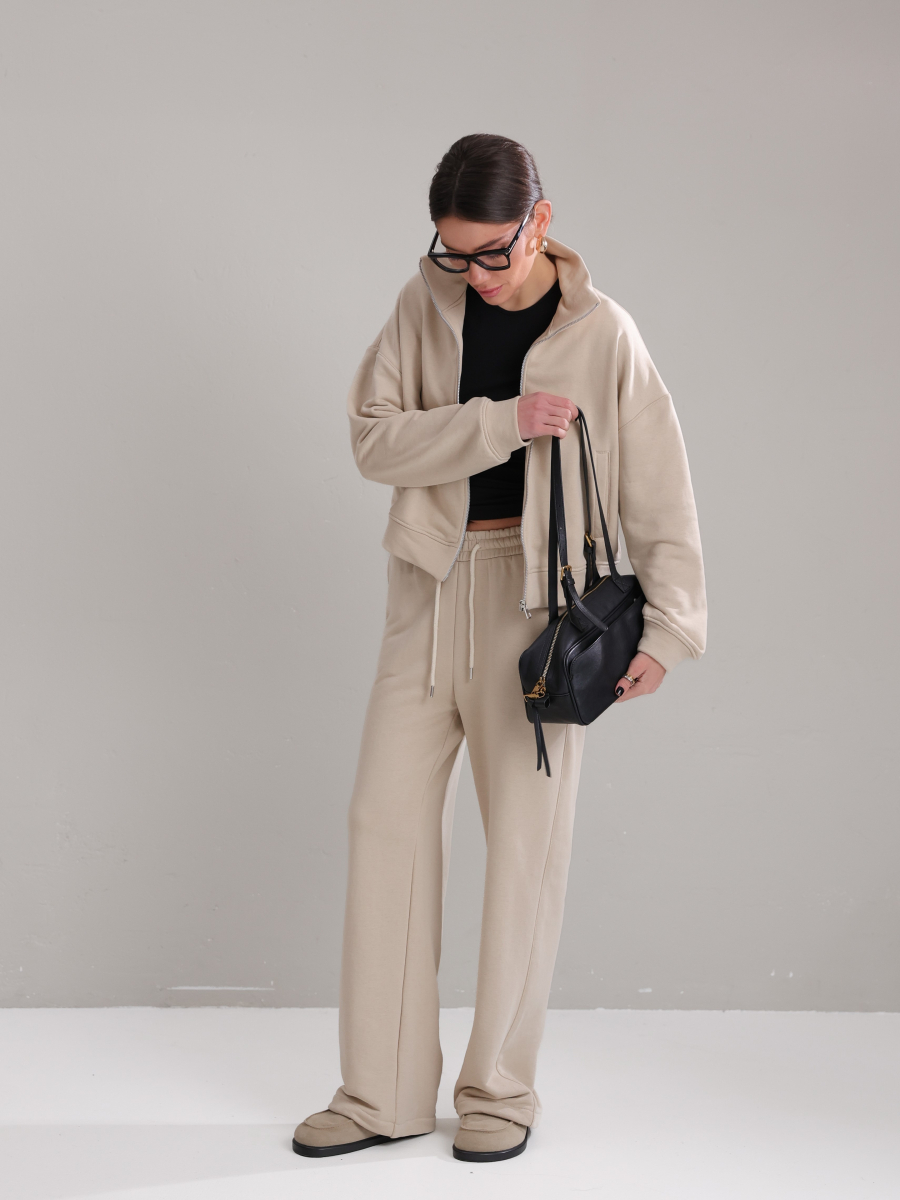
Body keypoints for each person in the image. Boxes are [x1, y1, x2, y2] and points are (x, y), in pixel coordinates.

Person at [293, 133, 706, 1164]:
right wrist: (499, 423)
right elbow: (372, 440)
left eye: (492, 251)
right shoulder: (422, 305)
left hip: (541, 612)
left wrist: (669, 627)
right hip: (427, 590)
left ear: (540, 222)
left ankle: (501, 1090)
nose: (473, 272)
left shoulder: (604, 334)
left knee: (525, 853)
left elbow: (660, 487)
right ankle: (382, 1092)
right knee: (383, 826)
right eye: (453, 251)